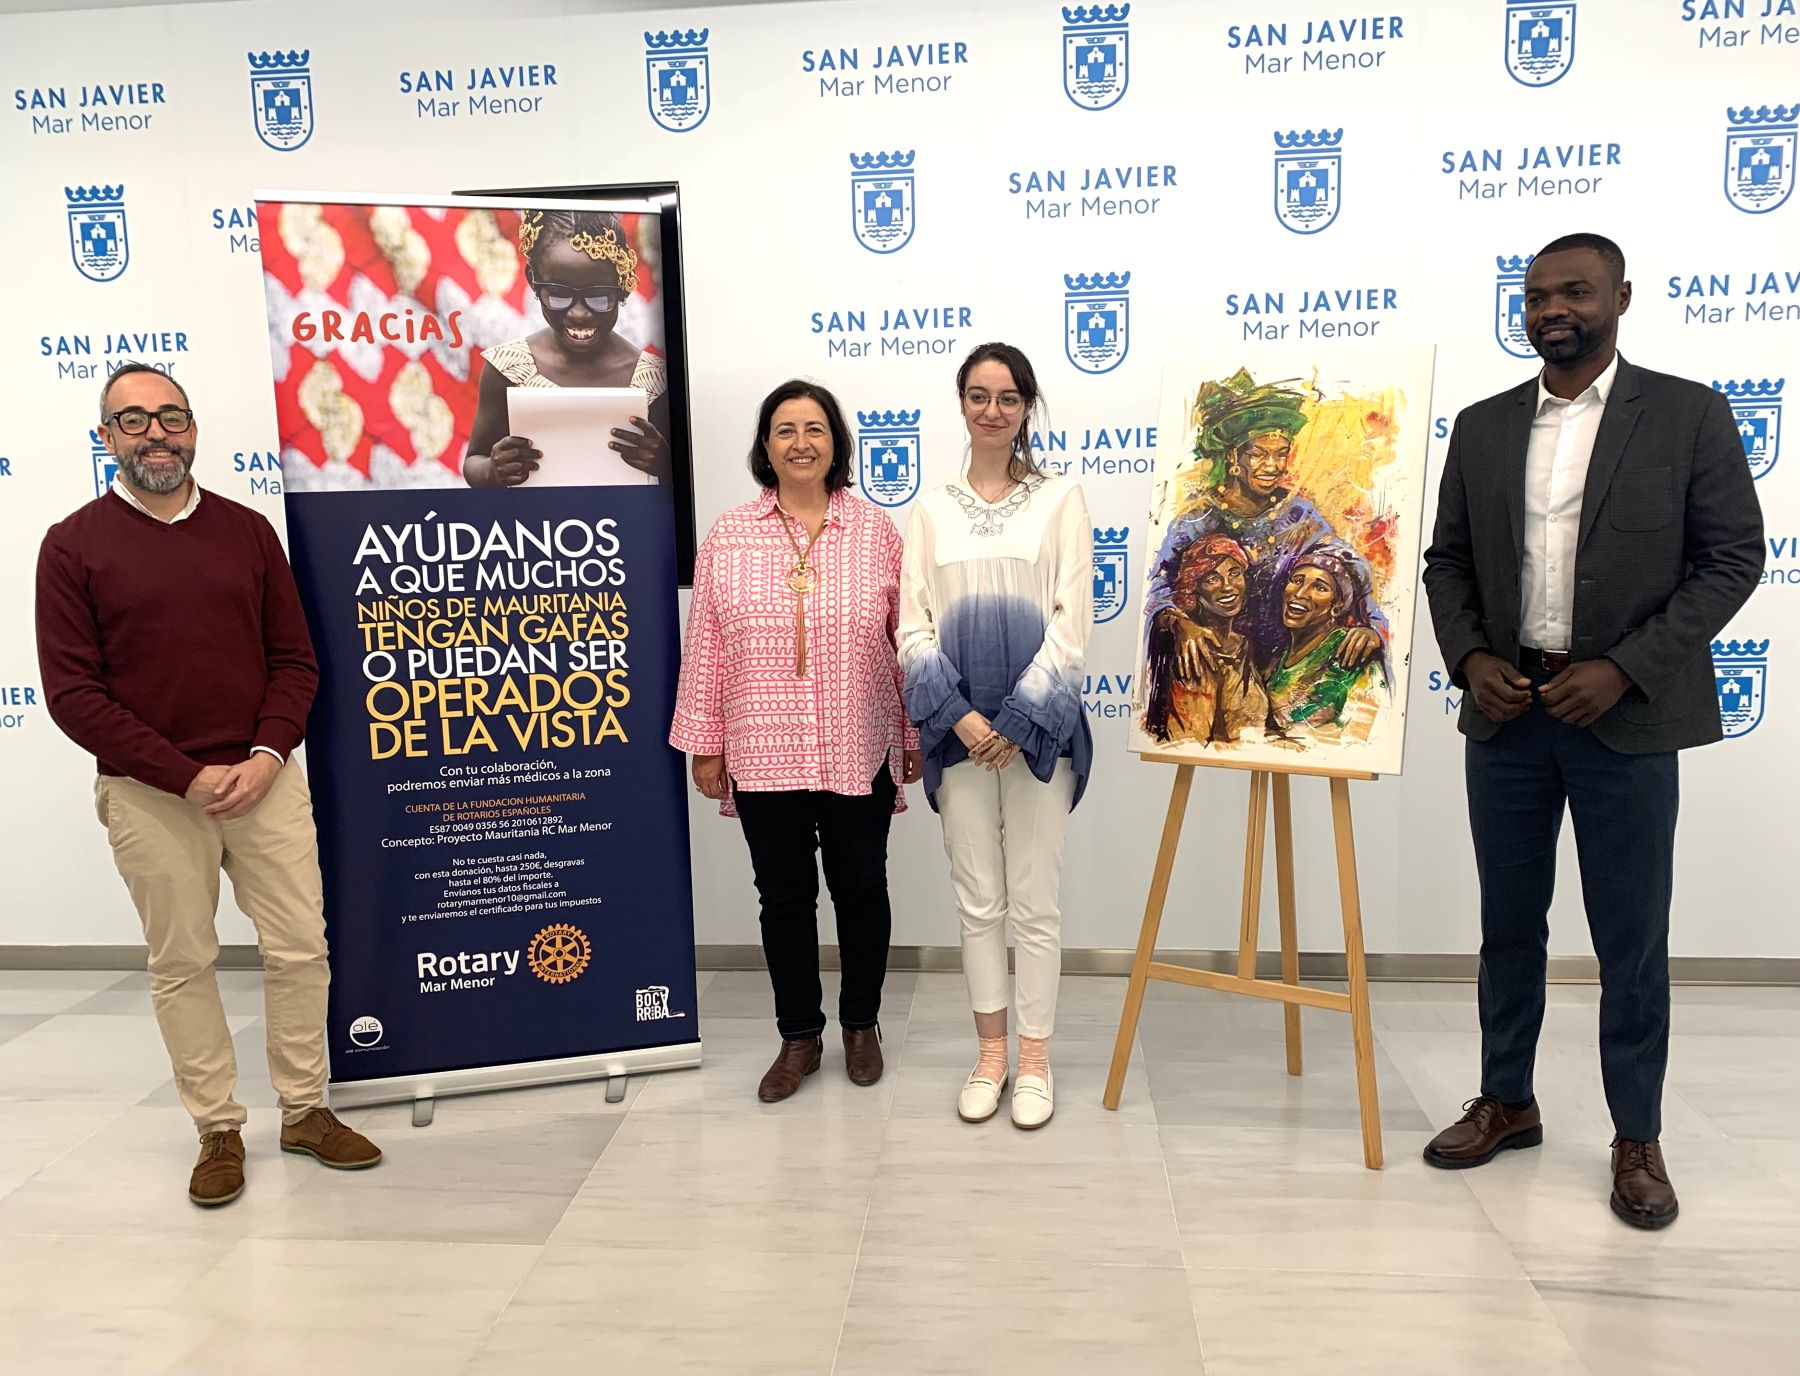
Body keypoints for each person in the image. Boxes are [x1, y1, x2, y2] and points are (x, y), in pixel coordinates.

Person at [1422, 232, 1764, 1229]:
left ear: (1621, 296)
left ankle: (1637, 1138)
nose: (1552, 310)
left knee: (1632, 938)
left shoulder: (1688, 414)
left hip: (1626, 716)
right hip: (1508, 716)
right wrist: (1470, 658)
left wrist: (1624, 669)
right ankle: (1507, 1099)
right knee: (1507, 924)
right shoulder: (1484, 426)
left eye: (1574, 291)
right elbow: (1448, 563)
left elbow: (1732, 558)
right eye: (1537, 296)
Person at [34, 363, 382, 1208]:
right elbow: (74, 696)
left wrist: (266, 756)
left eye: (171, 417)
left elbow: (295, 661)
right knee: (183, 962)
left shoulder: (248, 532)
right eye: (134, 420)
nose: (155, 433)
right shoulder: (72, 545)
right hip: (151, 794)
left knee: (300, 948)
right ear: (107, 437)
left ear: (192, 430)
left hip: (265, 781)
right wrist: (184, 776)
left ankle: (305, 1110)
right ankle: (217, 1128)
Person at [670, 380, 921, 1102]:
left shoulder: (876, 531)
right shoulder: (729, 536)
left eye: (815, 429)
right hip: (763, 746)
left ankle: (861, 1025)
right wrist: (707, 742)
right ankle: (800, 1038)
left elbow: (905, 639)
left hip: (857, 742)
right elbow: (707, 644)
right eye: (786, 430)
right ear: (766, 446)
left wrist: (910, 732)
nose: (801, 443)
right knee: (783, 899)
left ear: (836, 444)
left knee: (861, 890)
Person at [898, 342, 1093, 1130]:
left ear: (1026, 407)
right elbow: (912, 627)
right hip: (960, 737)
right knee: (978, 902)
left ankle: (1035, 1062)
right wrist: (962, 718)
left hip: (1041, 736)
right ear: (961, 404)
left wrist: (1016, 722)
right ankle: (990, 1057)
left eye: (1008, 397)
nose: (992, 410)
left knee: (1036, 904)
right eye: (978, 395)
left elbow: (1071, 626)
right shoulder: (930, 508)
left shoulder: (1061, 498)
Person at [1144, 370, 1384, 673]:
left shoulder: (1299, 517)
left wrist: (1373, 627)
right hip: (1208, 669)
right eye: (1258, 454)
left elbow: (1352, 569)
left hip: (1282, 673)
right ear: (1234, 457)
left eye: (1281, 455)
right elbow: (1158, 593)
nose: (1272, 466)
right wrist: (1180, 624)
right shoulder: (1196, 521)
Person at [462, 207, 671, 488]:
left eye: (599, 297)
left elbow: (684, 482)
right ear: (533, 280)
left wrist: (665, 462)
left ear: (622, 285)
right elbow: (474, 461)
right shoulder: (507, 368)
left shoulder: (654, 379)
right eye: (558, 295)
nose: (579, 314)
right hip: (537, 518)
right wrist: (492, 469)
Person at [1143, 535, 1272, 744]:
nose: (1227, 586)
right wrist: (1175, 621)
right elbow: (1191, 742)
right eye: (1212, 579)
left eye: (1235, 573)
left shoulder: (1243, 645)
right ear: (1194, 589)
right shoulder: (1191, 650)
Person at [1264, 546, 1385, 741]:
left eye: (1320, 588)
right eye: (1297, 581)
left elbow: (1363, 736)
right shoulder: (1276, 658)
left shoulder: (1353, 652)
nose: (1300, 593)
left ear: (1337, 605)